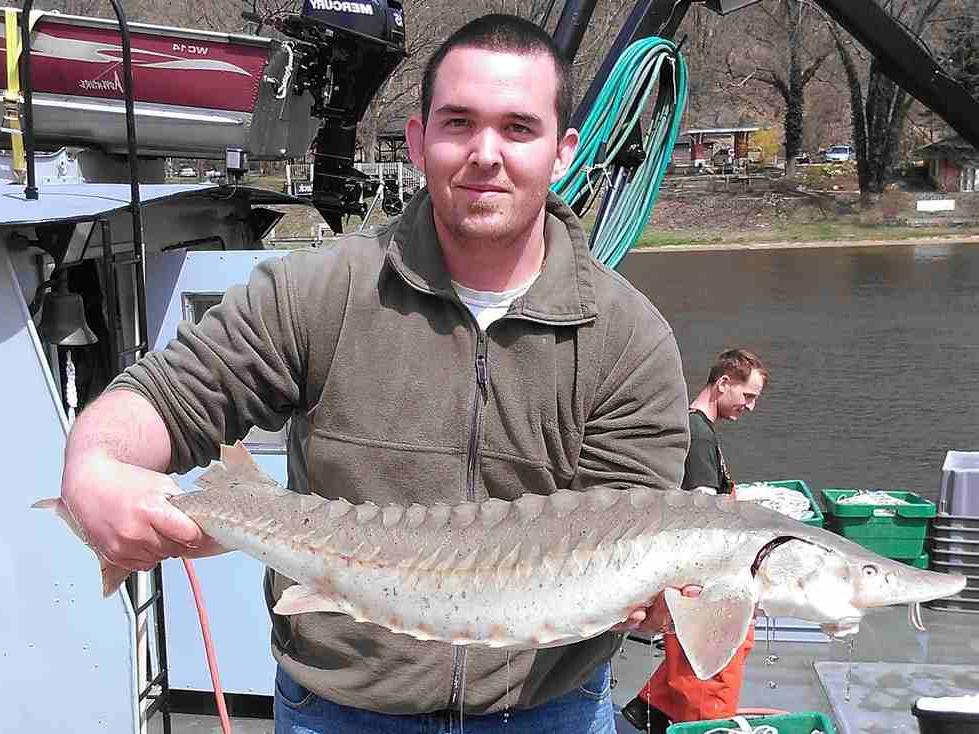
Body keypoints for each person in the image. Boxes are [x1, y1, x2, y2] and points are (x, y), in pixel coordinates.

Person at [58, 14, 691, 734]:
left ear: (561, 152)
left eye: (518, 128)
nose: (486, 154)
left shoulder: (628, 337)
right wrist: (95, 462)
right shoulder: (321, 290)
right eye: (459, 123)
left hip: (546, 710)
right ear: (419, 143)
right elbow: (166, 398)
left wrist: (664, 596)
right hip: (341, 711)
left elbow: (630, 523)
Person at [621, 349, 768, 732]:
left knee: (685, 652)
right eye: (747, 395)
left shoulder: (692, 428)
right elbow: (703, 515)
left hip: (689, 569)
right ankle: (705, 725)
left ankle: (652, 709)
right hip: (704, 574)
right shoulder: (699, 435)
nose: (749, 407)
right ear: (723, 383)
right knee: (719, 653)